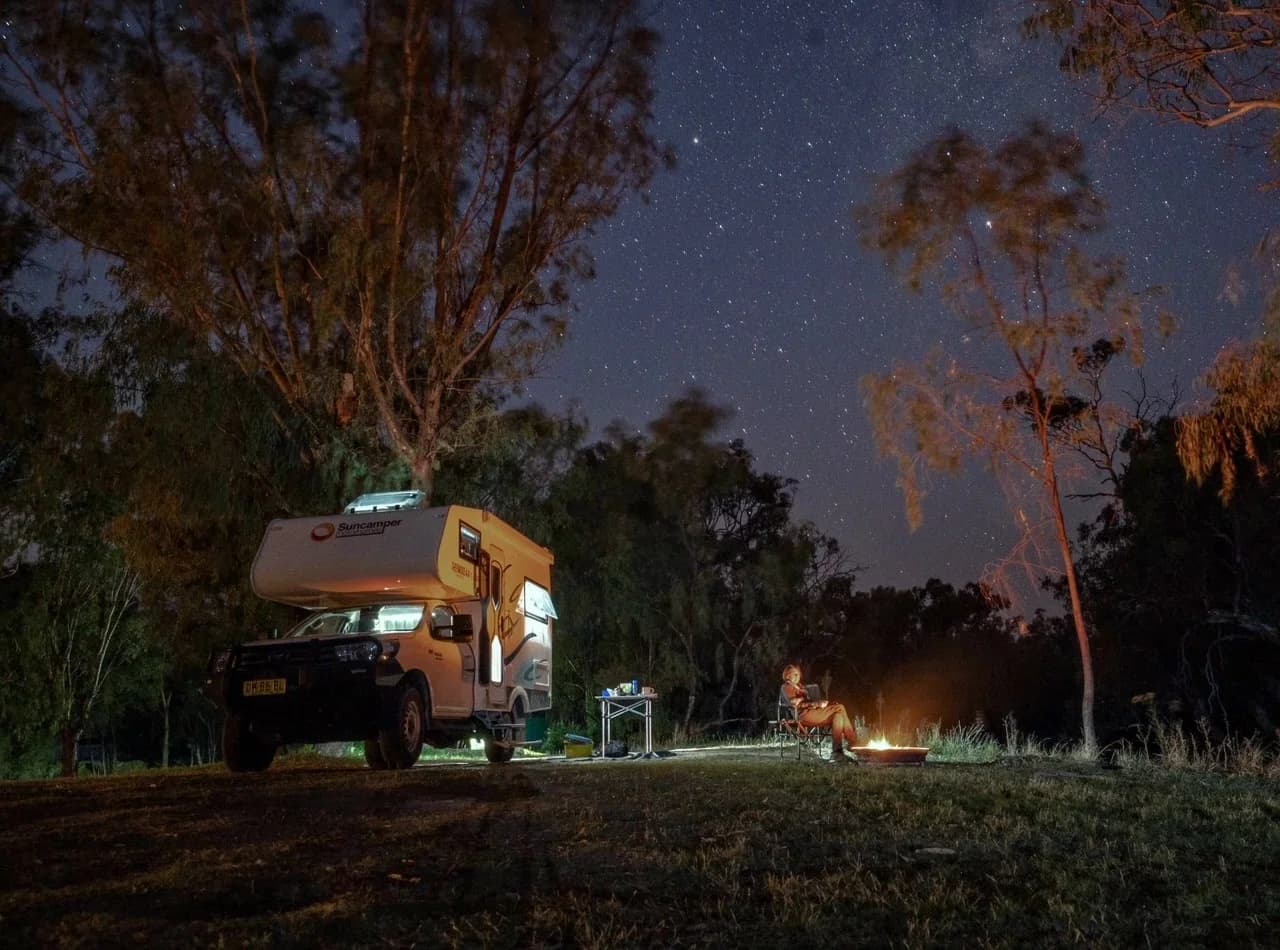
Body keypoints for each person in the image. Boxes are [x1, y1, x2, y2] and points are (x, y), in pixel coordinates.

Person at [781, 664, 860, 763]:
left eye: (798, 674)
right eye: (795, 674)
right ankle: (853, 741)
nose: (798, 676)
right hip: (803, 715)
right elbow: (794, 703)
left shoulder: (799, 686)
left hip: (812, 712)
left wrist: (820, 704)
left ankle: (837, 752)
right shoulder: (787, 686)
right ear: (788, 676)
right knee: (840, 708)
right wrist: (815, 703)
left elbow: (807, 699)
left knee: (838, 715)